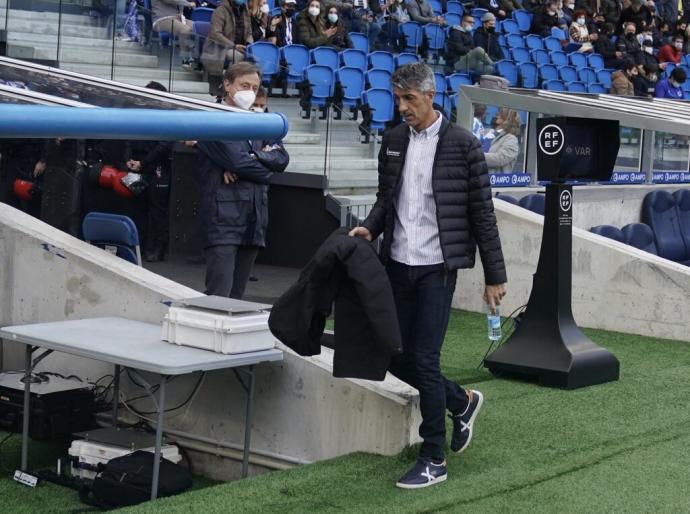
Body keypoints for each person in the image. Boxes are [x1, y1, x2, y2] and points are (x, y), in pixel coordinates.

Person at [349, 62, 507, 490]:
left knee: (424, 358)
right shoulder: (394, 140)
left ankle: (433, 455)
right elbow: (387, 199)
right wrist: (371, 226)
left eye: (409, 99)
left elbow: (482, 215)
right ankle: (462, 401)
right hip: (396, 264)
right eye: (398, 99)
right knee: (393, 353)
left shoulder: (464, 145)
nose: (402, 107)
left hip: (438, 268)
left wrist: (495, 276)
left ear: (430, 96)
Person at [196, 62, 289, 298]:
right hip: (223, 220)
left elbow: (282, 159)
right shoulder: (211, 118)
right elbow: (239, 162)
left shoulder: (260, 120)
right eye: (244, 85)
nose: (250, 92)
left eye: (255, 87)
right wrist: (262, 166)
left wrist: (254, 156)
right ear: (227, 85)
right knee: (219, 296)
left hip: (254, 219)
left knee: (237, 298)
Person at [125, 81, 175, 262]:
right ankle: (138, 246)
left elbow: (165, 145)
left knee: (157, 211)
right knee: (137, 209)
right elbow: (129, 137)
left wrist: (144, 162)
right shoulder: (139, 114)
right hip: (137, 167)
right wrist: (130, 160)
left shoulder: (168, 117)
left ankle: (156, 249)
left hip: (157, 168)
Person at [201, 0, 254, 94]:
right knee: (237, 56)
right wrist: (233, 46)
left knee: (255, 56)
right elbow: (215, 34)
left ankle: (250, 87)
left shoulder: (245, 11)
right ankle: (231, 87)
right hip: (220, 47)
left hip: (241, 47)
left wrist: (250, 44)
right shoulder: (220, 10)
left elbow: (249, 33)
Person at [151, 0, 197, 68]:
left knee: (198, 27)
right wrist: (188, 4)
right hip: (161, 19)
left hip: (177, 18)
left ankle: (197, 60)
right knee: (185, 30)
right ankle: (186, 59)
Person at [484, 108, 520, 173]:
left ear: (507, 119)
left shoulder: (511, 139)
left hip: (497, 181)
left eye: (500, 114)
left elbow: (500, 158)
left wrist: (477, 155)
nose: (497, 115)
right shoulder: (492, 134)